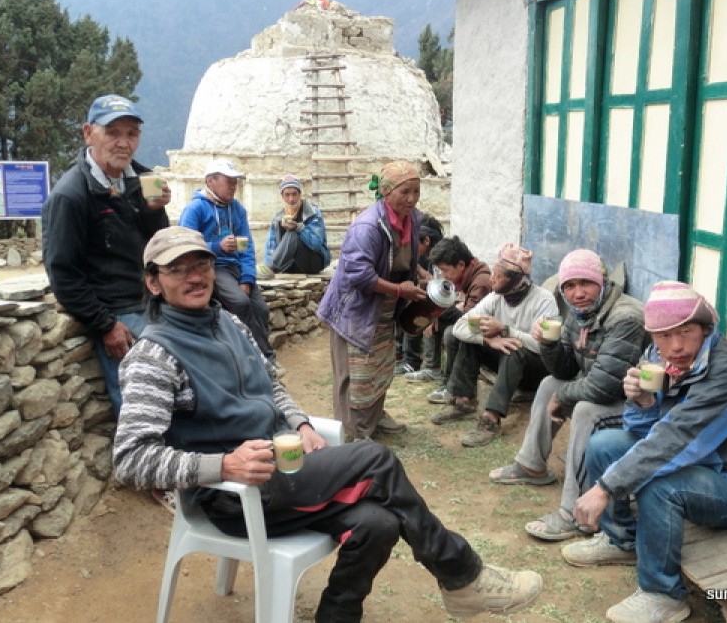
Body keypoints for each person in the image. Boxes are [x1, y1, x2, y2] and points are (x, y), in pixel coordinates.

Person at [112, 226, 544, 622]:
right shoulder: (153, 357)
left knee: (380, 523)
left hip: (284, 477)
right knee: (374, 458)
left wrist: (300, 425)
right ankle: (463, 574)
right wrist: (223, 466)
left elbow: (272, 387)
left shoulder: (229, 324)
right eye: (177, 270)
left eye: (201, 264)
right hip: (236, 497)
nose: (194, 276)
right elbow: (131, 459)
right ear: (153, 282)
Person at [562, 281, 727, 623]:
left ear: (706, 329)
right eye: (664, 336)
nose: (676, 346)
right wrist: (641, 401)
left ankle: (663, 595)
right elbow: (642, 431)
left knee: (662, 484)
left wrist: (605, 488)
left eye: (687, 332)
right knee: (604, 444)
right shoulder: (656, 358)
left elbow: (674, 438)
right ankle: (620, 540)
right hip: (697, 462)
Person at [485, 250, 648, 542]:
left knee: (585, 409)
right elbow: (565, 369)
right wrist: (547, 344)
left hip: (642, 407)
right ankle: (531, 465)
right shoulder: (580, 314)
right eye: (569, 286)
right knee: (549, 382)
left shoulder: (626, 317)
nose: (578, 293)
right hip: (609, 393)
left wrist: (564, 396)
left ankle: (576, 513)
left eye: (586, 283)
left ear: (603, 283)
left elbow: (604, 386)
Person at [42, 93, 170, 418]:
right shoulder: (70, 196)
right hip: (119, 312)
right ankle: (141, 461)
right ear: (89, 133)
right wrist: (105, 324)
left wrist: (155, 212)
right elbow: (63, 275)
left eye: (131, 134)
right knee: (141, 406)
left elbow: (160, 246)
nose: (123, 143)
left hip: (154, 302)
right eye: (112, 133)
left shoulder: (141, 180)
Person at [316, 161, 429, 441]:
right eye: (405, 192)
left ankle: (375, 417)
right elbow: (359, 275)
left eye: (416, 191)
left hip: (384, 306)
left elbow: (405, 255)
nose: (412, 199)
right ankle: (352, 433)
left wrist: (420, 272)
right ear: (387, 192)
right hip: (355, 309)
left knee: (380, 366)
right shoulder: (367, 227)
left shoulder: (411, 218)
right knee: (352, 375)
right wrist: (401, 291)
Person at [435, 243, 558, 447]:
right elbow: (459, 327)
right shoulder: (494, 298)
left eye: (498, 275)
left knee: (513, 349)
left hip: (538, 370)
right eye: (493, 273)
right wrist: (488, 339)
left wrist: (506, 330)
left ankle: (491, 419)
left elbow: (548, 346)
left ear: (516, 279)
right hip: (508, 364)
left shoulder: (545, 301)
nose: (492, 279)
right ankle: (463, 402)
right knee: (471, 339)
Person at [178, 159, 284, 376]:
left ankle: (265, 357)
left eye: (235, 182)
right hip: (211, 267)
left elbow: (246, 246)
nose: (233, 186)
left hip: (236, 268)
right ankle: (251, 358)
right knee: (239, 302)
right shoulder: (196, 208)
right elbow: (185, 244)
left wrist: (247, 277)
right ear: (211, 181)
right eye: (229, 181)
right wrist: (216, 247)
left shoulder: (237, 209)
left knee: (261, 309)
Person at [406, 235, 492, 404]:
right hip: (474, 326)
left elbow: (471, 321)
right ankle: (436, 372)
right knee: (435, 319)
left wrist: (438, 312)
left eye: (445, 270)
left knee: (451, 334)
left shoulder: (480, 282)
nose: (443, 276)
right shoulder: (470, 274)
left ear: (461, 264)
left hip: (486, 337)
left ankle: (451, 386)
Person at [395, 213, 445, 375]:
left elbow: (440, 287)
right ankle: (401, 354)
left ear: (427, 241)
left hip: (444, 304)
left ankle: (415, 361)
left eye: (415, 242)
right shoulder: (422, 255)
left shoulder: (441, 256)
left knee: (417, 310)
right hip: (433, 299)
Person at [263, 173, 331, 274]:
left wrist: (298, 227)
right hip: (290, 263)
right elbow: (271, 246)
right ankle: (271, 266)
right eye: (287, 195)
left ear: (300, 194)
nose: (291, 199)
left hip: (312, 261)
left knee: (292, 233)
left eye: (294, 194)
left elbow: (316, 244)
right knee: (288, 234)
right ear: (282, 196)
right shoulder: (278, 217)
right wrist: (267, 261)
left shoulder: (313, 213)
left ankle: (271, 268)